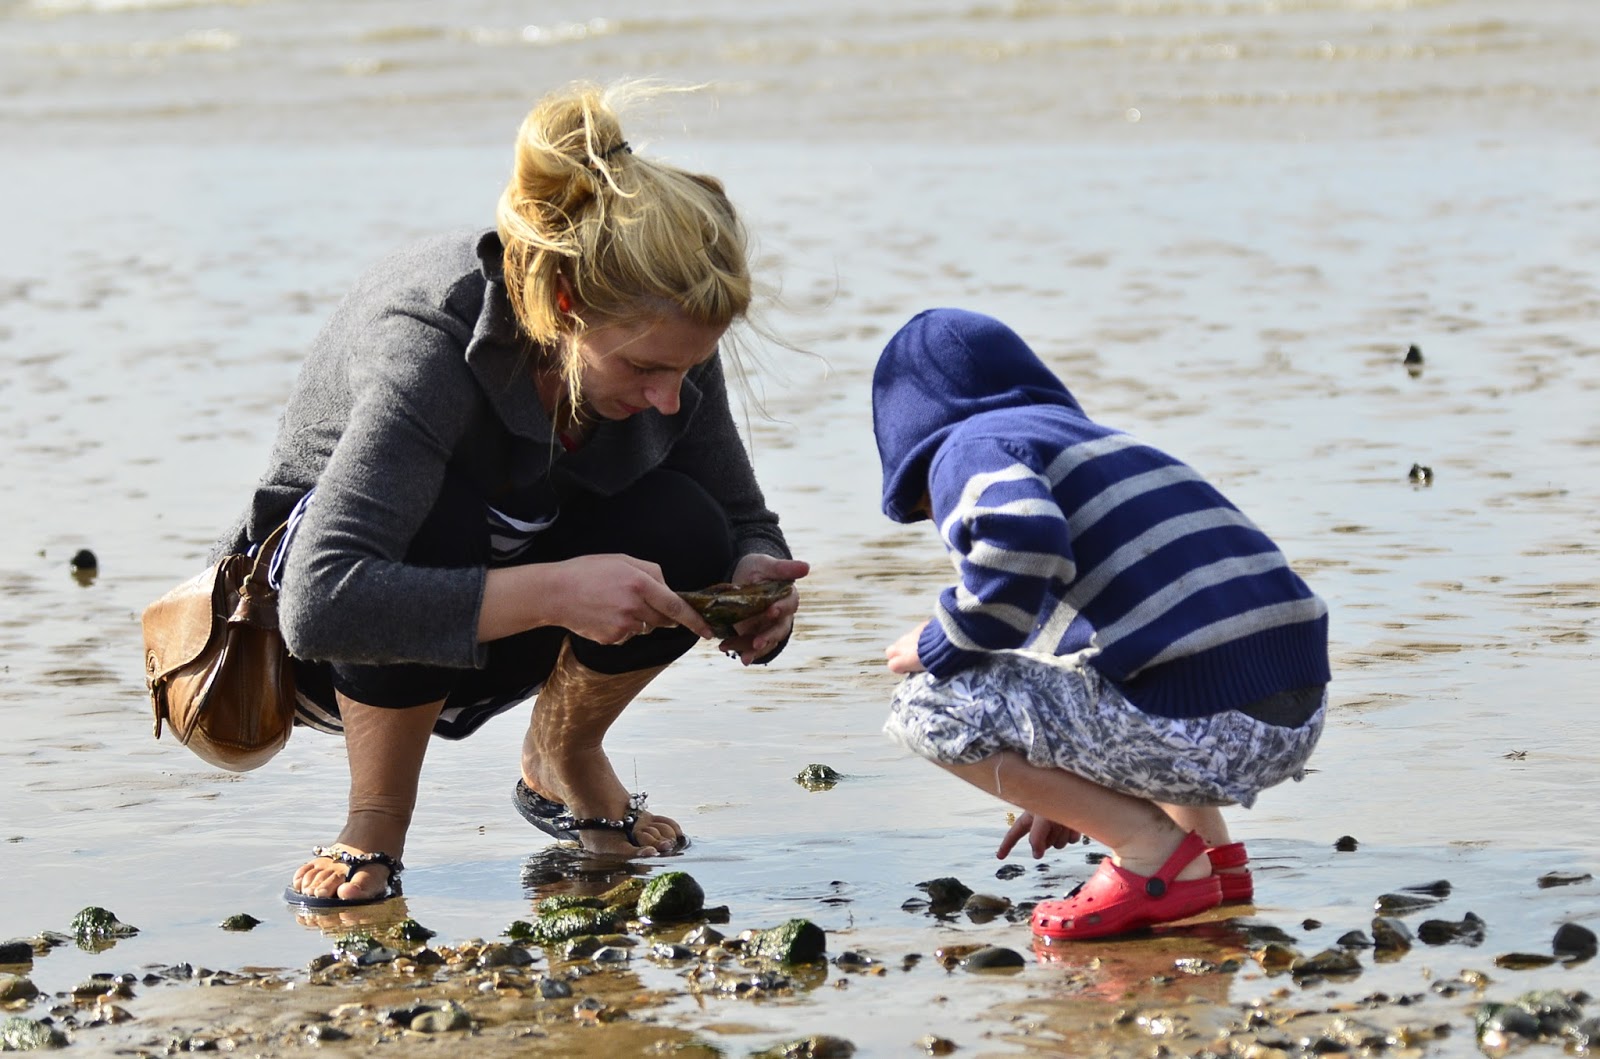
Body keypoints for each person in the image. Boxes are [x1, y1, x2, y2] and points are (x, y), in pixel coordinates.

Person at [214, 81, 809, 908]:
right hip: (325, 642)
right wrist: (559, 591)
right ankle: (376, 817)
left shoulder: (659, 329)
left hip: (503, 601)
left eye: (687, 368)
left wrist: (755, 583)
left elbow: (744, 516)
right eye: (644, 370)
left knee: (691, 525)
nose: (671, 397)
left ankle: (562, 758)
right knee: (439, 515)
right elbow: (321, 602)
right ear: (564, 304)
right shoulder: (431, 338)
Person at [871, 308, 1328, 941]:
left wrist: (941, 637)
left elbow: (1020, 545)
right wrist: (1060, 783)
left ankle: (1154, 859)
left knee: (927, 703)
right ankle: (1210, 858)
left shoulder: (966, 449)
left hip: (1216, 724)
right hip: (1291, 714)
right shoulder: (1096, 447)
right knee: (1153, 660)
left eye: (927, 513)